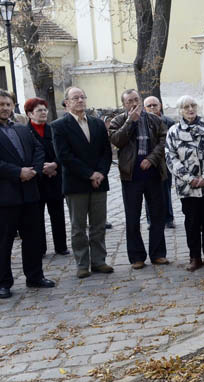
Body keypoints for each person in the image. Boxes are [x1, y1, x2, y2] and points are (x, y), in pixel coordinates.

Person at [0, 89, 54, 299]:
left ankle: (35, 276)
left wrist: (33, 171)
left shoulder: (22, 129)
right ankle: (2, 283)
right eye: (1, 104)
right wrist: (18, 173)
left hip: (29, 192)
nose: (6, 108)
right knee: (2, 242)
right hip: (3, 196)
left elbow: (38, 150)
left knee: (33, 238)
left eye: (9, 104)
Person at [52, 86, 114, 278]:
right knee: (78, 227)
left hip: (99, 182)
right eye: (75, 98)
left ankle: (99, 261)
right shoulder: (59, 126)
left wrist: (100, 173)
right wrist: (89, 174)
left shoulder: (97, 123)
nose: (80, 100)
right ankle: (82, 263)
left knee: (99, 225)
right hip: (76, 183)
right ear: (67, 103)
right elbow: (64, 156)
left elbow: (106, 152)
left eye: (82, 97)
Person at [109, 89, 170, 269]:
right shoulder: (118, 121)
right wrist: (130, 121)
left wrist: (151, 159)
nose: (134, 103)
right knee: (132, 217)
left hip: (154, 173)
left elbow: (164, 141)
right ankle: (136, 257)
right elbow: (117, 140)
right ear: (124, 104)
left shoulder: (154, 120)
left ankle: (158, 254)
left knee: (157, 215)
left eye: (136, 99)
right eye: (129, 101)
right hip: (131, 175)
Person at [165, 95, 204, 271]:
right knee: (191, 223)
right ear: (180, 111)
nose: (190, 109)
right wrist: (190, 179)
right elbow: (171, 158)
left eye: (193, 105)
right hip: (187, 188)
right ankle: (194, 257)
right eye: (186, 107)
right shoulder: (174, 131)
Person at [24, 97, 68, 257]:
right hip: (36, 179)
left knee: (58, 213)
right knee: (36, 216)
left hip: (55, 176)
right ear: (30, 114)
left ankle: (61, 246)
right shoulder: (24, 132)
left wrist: (55, 165)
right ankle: (40, 248)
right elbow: (26, 155)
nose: (43, 113)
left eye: (44, 110)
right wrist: (42, 169)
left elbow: (63, 151)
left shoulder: (54, 129)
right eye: (39, 110)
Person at [143, 95, 176, 229]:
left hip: (165, 161)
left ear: (160, 106)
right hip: (148, 162)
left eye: (154, 105)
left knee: (165, 191)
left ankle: (168, 218)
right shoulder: (142, 122)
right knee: (149, 193)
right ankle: (151, 220)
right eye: (149, 105)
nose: (152, 107)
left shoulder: (169, 122)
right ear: (144, 108)